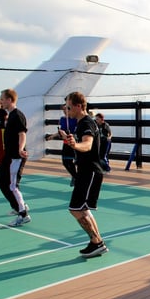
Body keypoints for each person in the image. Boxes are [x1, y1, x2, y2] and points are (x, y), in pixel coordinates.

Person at [64, 91, 108, 258]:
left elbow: (87, 145)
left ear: (78, 106)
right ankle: (97, 243)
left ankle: (97, 242)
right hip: (86, 171)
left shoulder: (86, 123)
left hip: (90, 172)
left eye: (69, 107)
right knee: (83, 209)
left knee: (75, 209)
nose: (67, 110)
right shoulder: (82, 123)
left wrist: (75, 145)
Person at [0, 88, 31, 227]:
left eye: (2, 99)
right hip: (9, 156)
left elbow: (22, 134)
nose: (1, 101)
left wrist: (21, 149)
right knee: (1, 181)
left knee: (13, 186)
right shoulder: (10, 115)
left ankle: (23, 215)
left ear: (9, 100)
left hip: (16, 157)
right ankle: (17, 206)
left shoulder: (17, 115)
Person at [46, 105, 78, 186]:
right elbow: (61, 131)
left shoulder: (75, 119)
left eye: (65, 109)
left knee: (74, 162)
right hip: (66, 143)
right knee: (65, 162)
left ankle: (76, 178)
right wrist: (52, 136)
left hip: (74, 143)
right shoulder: (63, 119)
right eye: (63, 109)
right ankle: (75, 176)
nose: (64, 111)